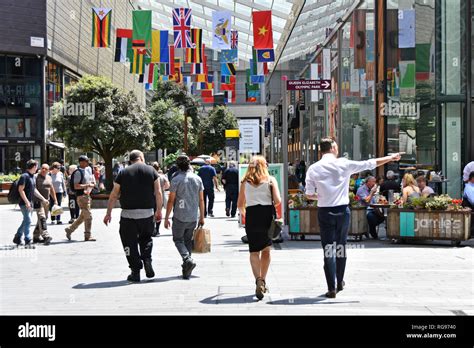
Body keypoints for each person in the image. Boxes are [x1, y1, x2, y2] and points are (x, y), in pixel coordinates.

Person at [305, 137, 401, 298]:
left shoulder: (313, 169)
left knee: (328, 248)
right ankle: (340, 281)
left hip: (325, 211)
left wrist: (320, 196)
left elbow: (308, 194)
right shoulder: (344, 163)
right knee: (340, 246)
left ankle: (331, 287)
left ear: (321, 150)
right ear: (334, 148)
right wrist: (390, 158)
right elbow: (370, 163)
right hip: (342, 211)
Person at [104, 150, 163, 282]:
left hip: (128, 215)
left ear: (130, 160)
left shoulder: (123, 172)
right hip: (147, 213)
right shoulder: (152, 171)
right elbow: (158, 192)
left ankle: (135, 271)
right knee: (146, 238)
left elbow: (114, 194)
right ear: (141, 158)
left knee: (129, 243)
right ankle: (147, 259)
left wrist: (108, 213)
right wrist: (159, 210)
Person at [237, 156, 281, 301]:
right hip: (266, 216)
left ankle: (258, 280)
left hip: (252, 217)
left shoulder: (245, 182)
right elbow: (278, 200)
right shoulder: (270, 180)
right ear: (264, 166)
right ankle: (263, 280)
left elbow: (240, 204)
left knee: (254, 251)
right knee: (266, 251)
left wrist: (247, 214)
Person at [164, 155, 205, 280]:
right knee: (187, 241)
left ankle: (187, 259)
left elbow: (171, 200)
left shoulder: (176, 179)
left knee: (178, 240)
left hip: (179, 215)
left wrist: (166, 217)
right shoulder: (197, 179)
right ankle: (187, 268)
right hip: (193, 216)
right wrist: (202, 216)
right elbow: (201, 200)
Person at [13, 160, 48, 248]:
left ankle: (17, 237)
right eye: (36, 166)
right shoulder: (24, 176)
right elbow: (21, 190)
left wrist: (43, 199)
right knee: (28, 221)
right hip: (24, 203)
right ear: (33, 167)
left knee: (26, 220)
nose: (37, 168)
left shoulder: (32, 176)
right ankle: (27, 240)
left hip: (30, 203)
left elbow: (34, 190)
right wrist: (27, 202)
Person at [64, 155, 97, 241]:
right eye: (86, 161)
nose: (88, 163)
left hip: (86, 195)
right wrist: (88, 185)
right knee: (88, 216)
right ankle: (87, 235)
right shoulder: (78, 172)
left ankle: (70, 229)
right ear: (81, 162)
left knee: (83, 216)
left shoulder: (86, 170)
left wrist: (91, 184)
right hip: (81, 196)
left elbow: (89, 181)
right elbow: (76, 186)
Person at [33, 163, 57, 245]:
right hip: (38, 201)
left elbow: (52, 189)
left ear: (48, 170)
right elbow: (33, 189)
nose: (43, 170)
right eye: (42, 168)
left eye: (46, 169)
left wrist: (55, 200)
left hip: (47, 201)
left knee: (44, 218)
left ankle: (36, 236)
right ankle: (46, 236)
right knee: (42, 217)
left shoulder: (49, 177)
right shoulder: (35, 177)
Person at [151, 162, 170, 237]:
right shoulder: (162, 176)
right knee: (159, 213)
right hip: (160, 197)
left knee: (151, 214)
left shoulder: (150, 175)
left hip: (151, 197)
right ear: (158, 168)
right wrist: (163, 189)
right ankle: (157, 230)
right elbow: (168, 185)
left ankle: (153, 230)